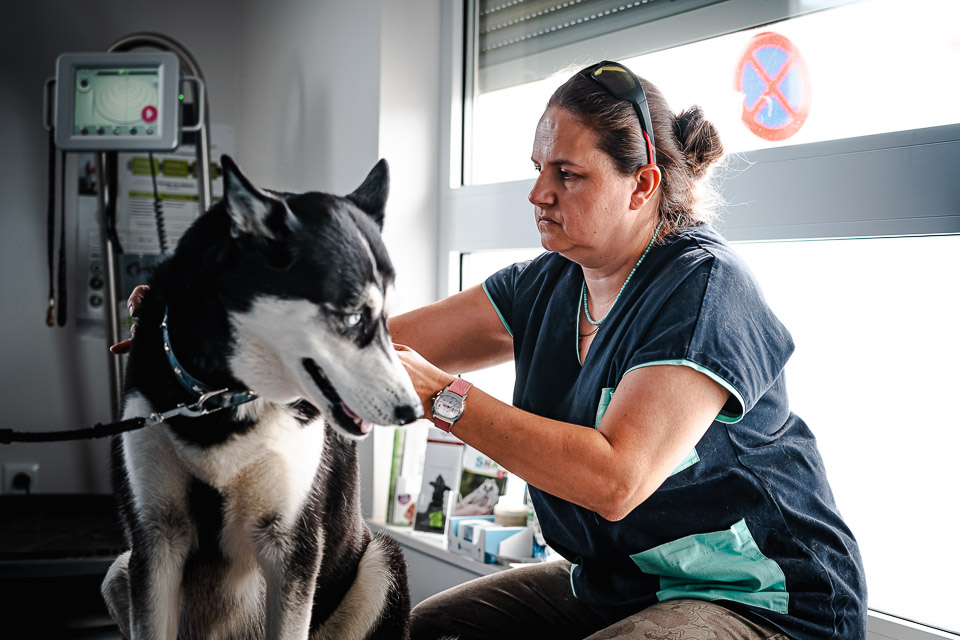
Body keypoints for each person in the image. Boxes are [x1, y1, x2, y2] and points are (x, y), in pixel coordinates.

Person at [118, 61, 866, 639]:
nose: (538, 193)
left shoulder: (705, 290)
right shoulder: (547, 285)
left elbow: (615, 479)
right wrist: (208, 327)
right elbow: (368, 340)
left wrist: (445, 395)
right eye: (539, 169)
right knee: (432, 632)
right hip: (616, 580)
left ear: (642, 184)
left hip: (764, 602)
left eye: (566, 174)